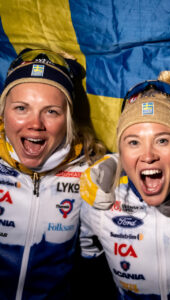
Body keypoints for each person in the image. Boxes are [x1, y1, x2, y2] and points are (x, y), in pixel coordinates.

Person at [79, 70, 170, 299]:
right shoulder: (98, 202)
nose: (148, 155)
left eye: (162, 140)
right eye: (134, 142)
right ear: (121, 151)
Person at [0, 48, 106, 300]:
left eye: (51, 111)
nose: (35, 123)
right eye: (21, 108)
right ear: (4, 113)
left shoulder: (88, 173)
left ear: (68, 119)